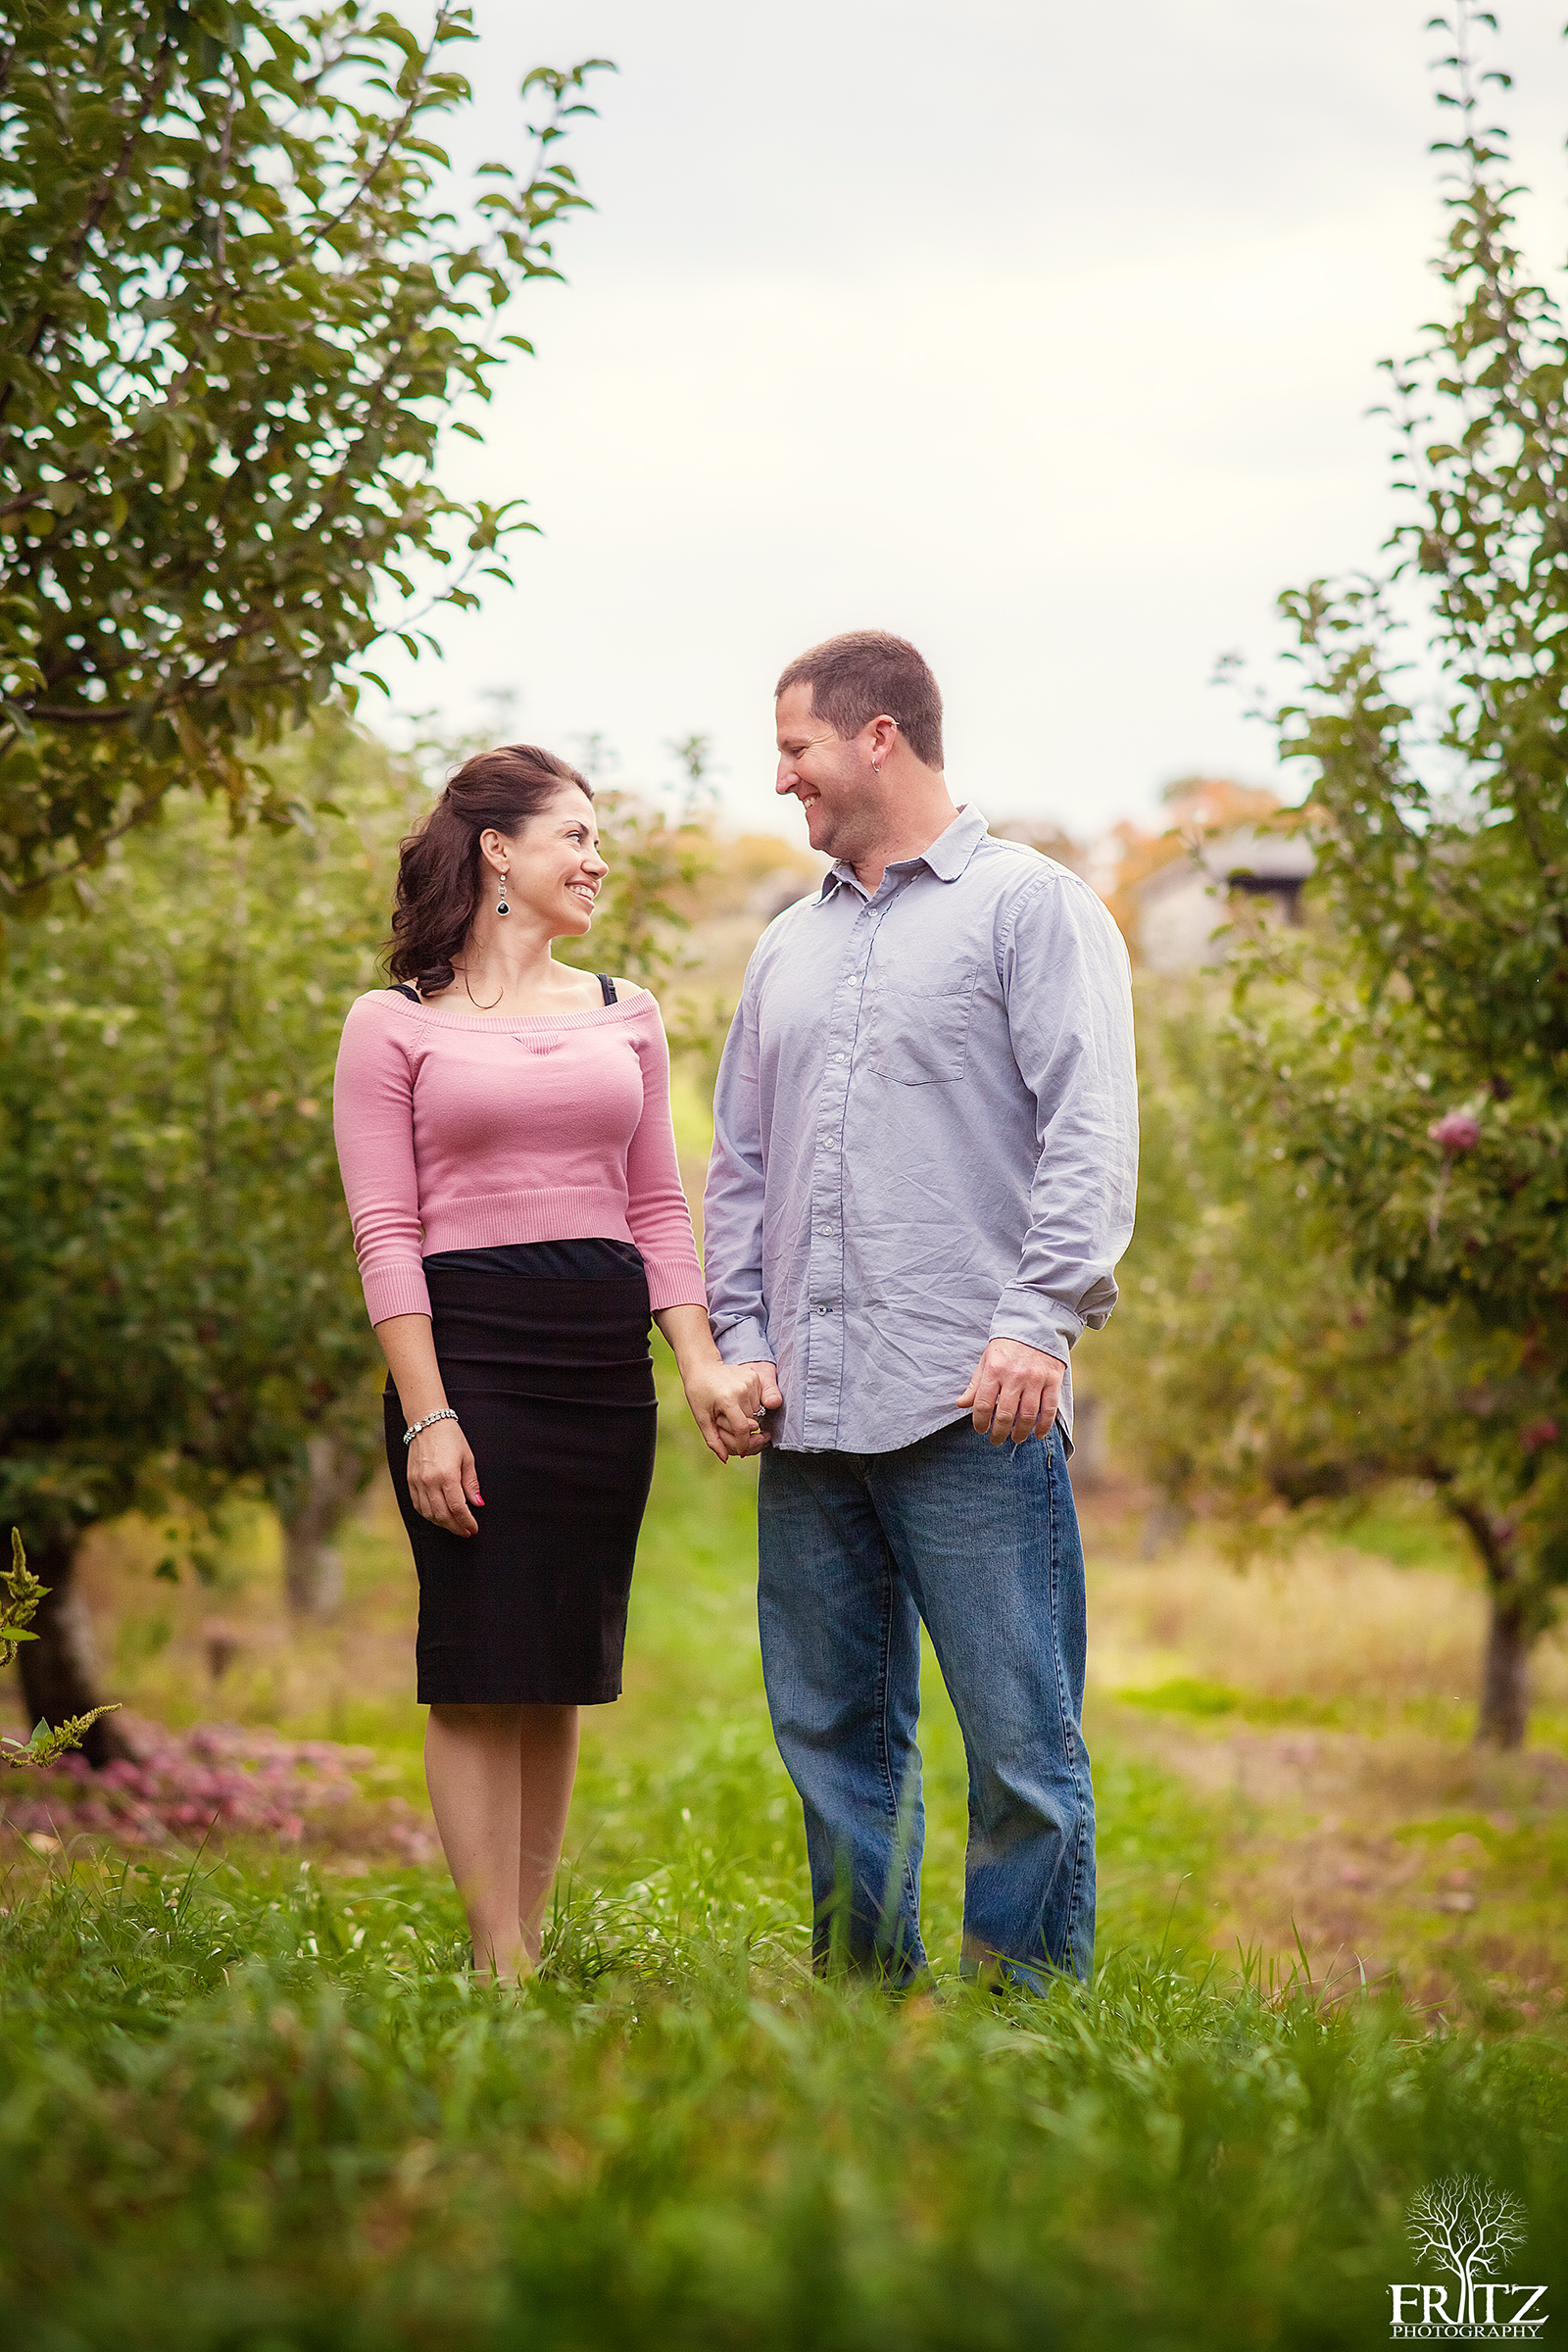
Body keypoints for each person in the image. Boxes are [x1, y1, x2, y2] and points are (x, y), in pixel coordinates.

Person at [703, 633, 1138, 1991]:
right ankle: (865, 2006)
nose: (783, 780)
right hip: (810, 1407)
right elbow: (740, 1168)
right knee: (833, 1734)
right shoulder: (785, 946)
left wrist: (1040, 1320)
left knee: (1020, 1741)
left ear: (876, 735)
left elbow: (1088, 1131)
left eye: (796, 749)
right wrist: (744, 1339)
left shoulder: (1032, 909)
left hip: (972, 1397)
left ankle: (1027, 2020)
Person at [333, 744, 764, 1981]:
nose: (597, 858)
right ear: (497, 853)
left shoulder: (626, 1010)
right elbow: (387, 1232)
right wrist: (428, 1417)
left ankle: (525, 1940)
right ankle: (496, 1966)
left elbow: (657, 1209)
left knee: (558, 1662)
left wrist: (695, 1365)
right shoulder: (393, 1025)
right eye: (574, 835)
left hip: (597, 1360)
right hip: (468, 1354)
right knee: (478, 1661)